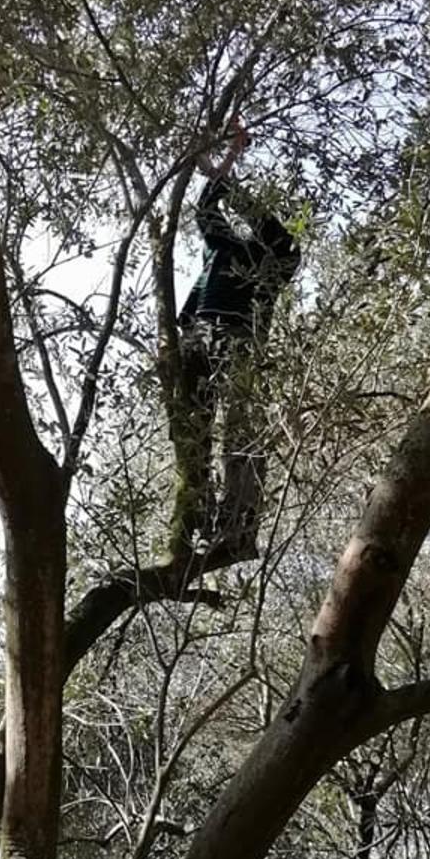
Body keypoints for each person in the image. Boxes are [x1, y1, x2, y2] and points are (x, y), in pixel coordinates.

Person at [176, 119, 301, 551]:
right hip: (198, 336)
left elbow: (271, 229)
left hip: (241, 341)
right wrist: (230, 154)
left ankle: (239, 527)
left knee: (241, 430)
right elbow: (209, 202)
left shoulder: (278, 262)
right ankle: (197, 516)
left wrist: (226, 169)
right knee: (193, 425)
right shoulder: (221, 244)